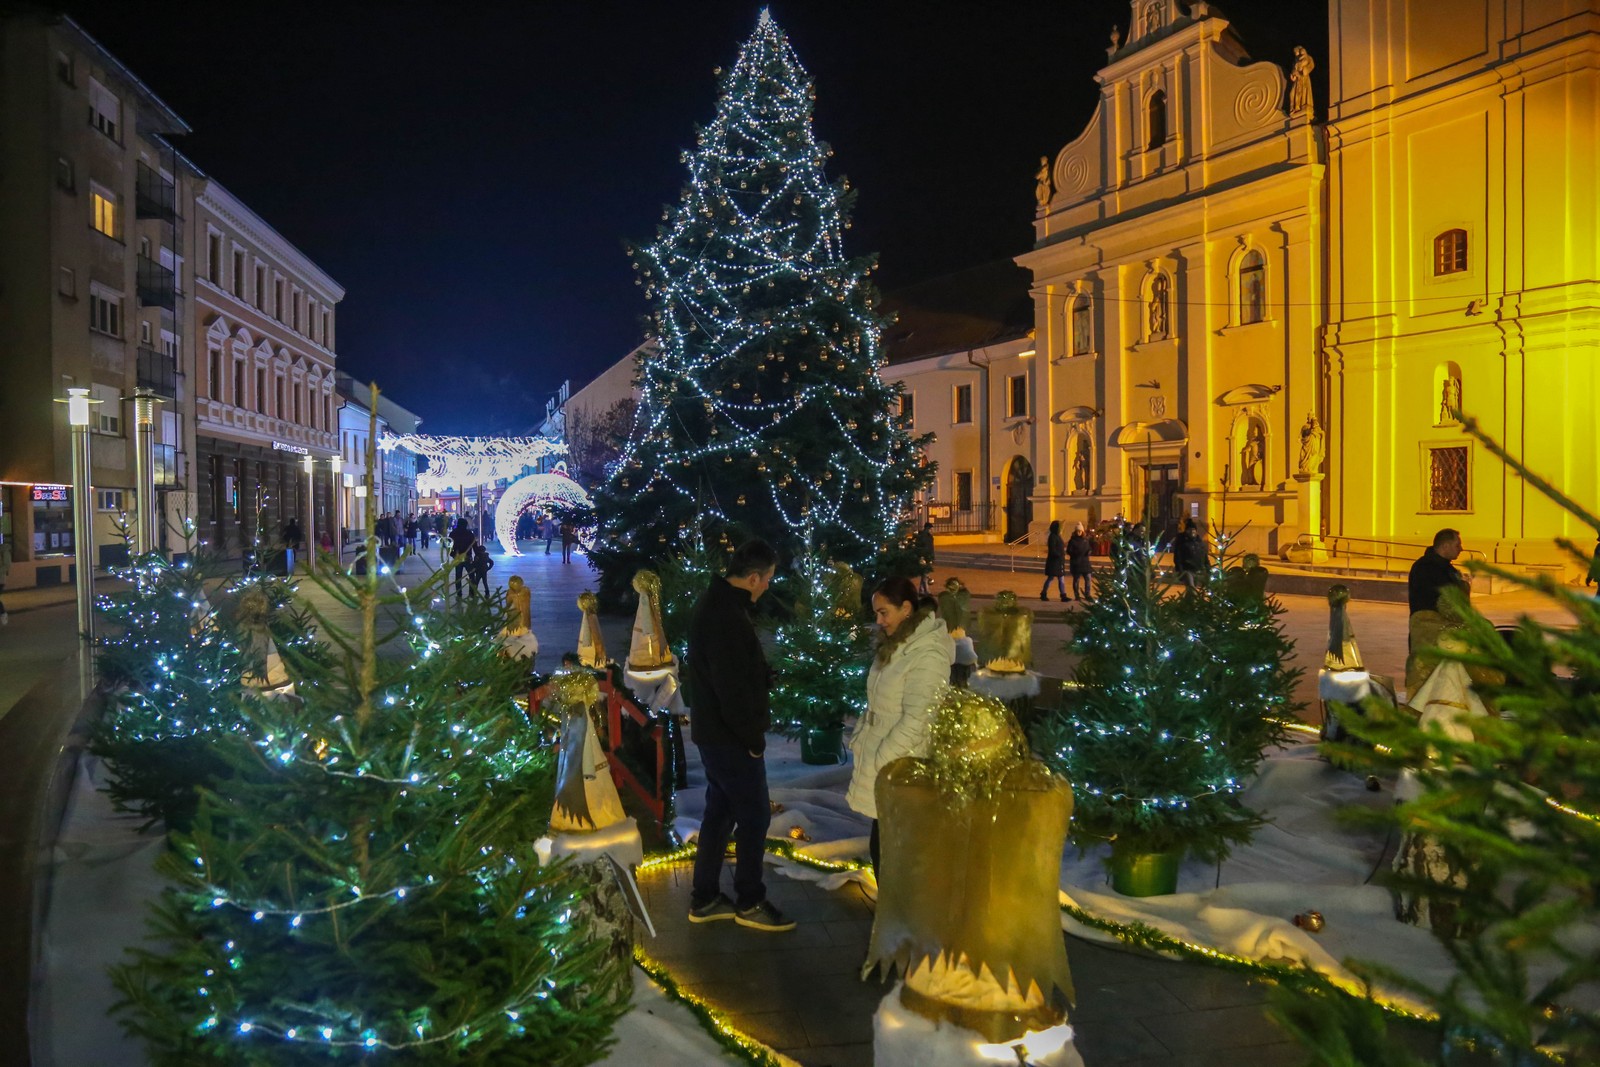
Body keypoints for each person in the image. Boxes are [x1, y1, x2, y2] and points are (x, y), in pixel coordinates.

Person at [683, 539, 794, 932]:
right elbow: (730, 689)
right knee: (754, 814)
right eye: (768, 579)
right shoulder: (726, 615)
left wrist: (761, 676)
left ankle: (706, 896)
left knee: (720, 812)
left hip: (715, 732)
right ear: (753, 578)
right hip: (729, 737)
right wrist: (752, 741)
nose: (768, 586)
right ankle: (750, 899)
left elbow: (731, 672)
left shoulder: (720, 604)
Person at [847, 576, 955, 880]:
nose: (879, 621)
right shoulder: (897, 645)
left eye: (884, 613)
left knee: (894, 852)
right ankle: (890, 906)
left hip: (901, 766)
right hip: (887, 763)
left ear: (906, 608)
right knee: (883, 844)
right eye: (876, 614)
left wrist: (884, 758)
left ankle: (898, 907)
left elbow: (919, 718)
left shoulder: (927, 654)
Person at [1172, 518, 1208, 589]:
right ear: (1186, 531)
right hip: (1187, 570)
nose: (1192, 532)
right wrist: (1180, 570)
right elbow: (1177, 557)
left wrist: (1207, 567)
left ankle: (1188, 596)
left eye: (1193, 530)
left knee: (1191, 591)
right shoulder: (1182, 542)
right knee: (1191, 588)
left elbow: (1204, 556)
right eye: (1190, 530)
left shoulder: (1199, 542)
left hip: (1197, 569)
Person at [1039, 520, 1068, 602]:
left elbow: (1060, 546)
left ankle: (1063, 595)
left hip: (1059, 561)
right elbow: (1052, 550)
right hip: (1054, 562)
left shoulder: (1057, 536)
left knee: (1060, 578)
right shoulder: (1052, 537)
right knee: (1051, 578)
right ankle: (1044, 593)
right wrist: (1060, 554)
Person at [1066, 521, 1093, 601]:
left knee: (1088, 579)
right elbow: (1069, 551)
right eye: (1077, 531)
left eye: (1080, 531)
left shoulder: (1085, 540)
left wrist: (1089, 551)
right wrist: (1076, 553)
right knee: (1076, 580)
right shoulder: (1072, 541)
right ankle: (1077, 595)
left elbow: (1089, 548)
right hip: (1076, 563)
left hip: (1085, 562)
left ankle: (1087, 594)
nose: (1079, 533)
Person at [449, 517, 475, 598]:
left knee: (458, 576)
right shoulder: (469, 533)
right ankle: (472, 592)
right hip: (467, 556)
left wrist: (452, 554)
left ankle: (459, 593)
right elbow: (474, 545)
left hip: (457, 557)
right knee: (471, 575)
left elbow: (448, 545)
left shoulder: (453, 533)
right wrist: (478, 554)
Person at [914, 521, 935, 595]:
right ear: (927, 529)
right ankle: (927, 591)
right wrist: (921, 556)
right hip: (924, 557)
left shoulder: (929, 536)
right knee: (925, 574)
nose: (932, 530)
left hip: (928, 556)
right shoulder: (923, 537)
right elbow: (922, 547)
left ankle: (921, 590)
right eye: (931, 529)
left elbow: (931, 548)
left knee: (924, 574)